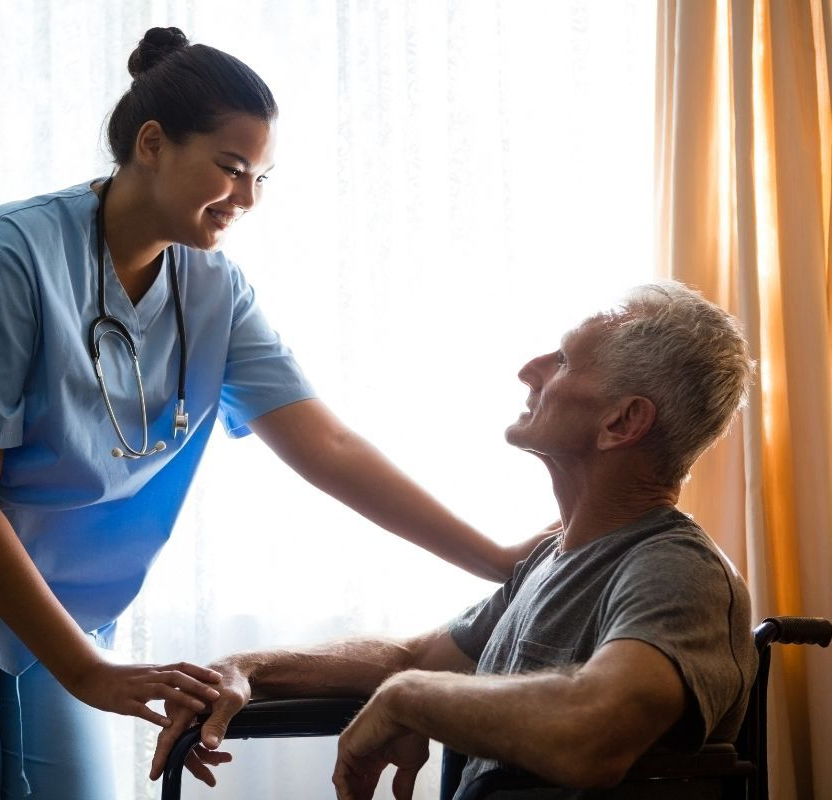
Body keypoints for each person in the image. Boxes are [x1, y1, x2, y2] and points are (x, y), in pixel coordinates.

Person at [0, 26, 543, 800]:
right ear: (152, 143)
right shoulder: (9, 254)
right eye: (231, 168)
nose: (247, 199)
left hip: (53, 592)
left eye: (261, 178)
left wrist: (497, 560)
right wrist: (86, 669)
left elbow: (328, 445)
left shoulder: (215, 290)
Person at [151, 282, 760, 800]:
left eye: (566, 362)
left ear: (622, 422)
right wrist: (242, 668)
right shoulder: (551, 561)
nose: (530, 370)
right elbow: (408, 661)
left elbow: (595, 731)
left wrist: (412, 700)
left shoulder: (676, 570)